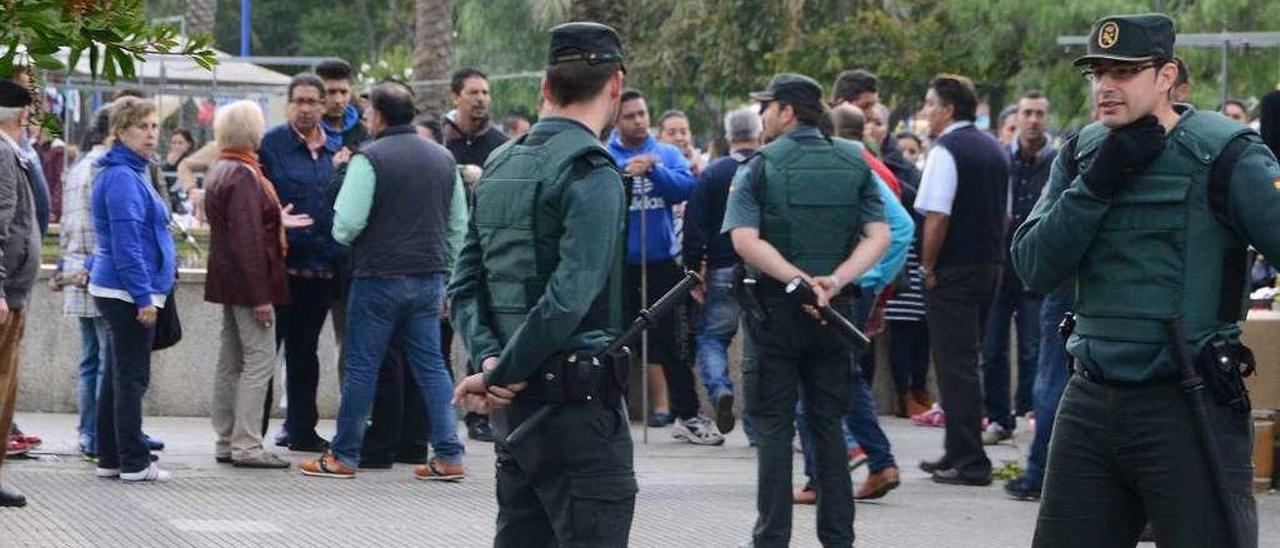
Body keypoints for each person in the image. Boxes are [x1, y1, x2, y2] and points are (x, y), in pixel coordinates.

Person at [1014, 13, 1278, 546]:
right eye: (1097, 73)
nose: (1106, 85)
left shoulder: (1226, 153)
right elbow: (1034, 266)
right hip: (1091, 400)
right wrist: (1096, 185)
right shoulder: (1084, 153)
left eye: (1125, 71)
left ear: (1165, 77)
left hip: (1187, 401)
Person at [450, 21, 635, 546]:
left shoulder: (500, 162)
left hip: (517, 412)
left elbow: (464, 283)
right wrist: (502, 370)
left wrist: (490, 363)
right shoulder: (591, 170)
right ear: (616, 84)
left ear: (545, 88)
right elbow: (569, 297)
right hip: (577, 412)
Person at [725, 73, 890, 547]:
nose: (761, 116)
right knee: (828, 429)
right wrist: (834, 281)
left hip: (774, 315)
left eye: (767, 107)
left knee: (774, 433)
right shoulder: (856, 161)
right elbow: (880, 235)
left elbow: (744, 240)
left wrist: (795, 280)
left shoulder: (758, 165)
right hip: (835, 316)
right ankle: (838, 538)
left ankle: (771, 538)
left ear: (788, 111)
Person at [299, 82, 468, 481]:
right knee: (431, 366)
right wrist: (444, 269)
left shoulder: (368, 158)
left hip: (377, 278)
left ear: (377, 115)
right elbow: (458, 225)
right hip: (428, 279)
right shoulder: (444, 159)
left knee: (361, 367)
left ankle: (343, 455)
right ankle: (448, 454)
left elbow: (347, 225)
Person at [205, 100, 313, 469]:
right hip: (250, 285)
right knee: (259, 361)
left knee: (231, 361)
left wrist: (274, 219)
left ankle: (226, 439)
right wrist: (261, 297)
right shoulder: (246, 174)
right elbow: (248, 241)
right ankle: (247, 444)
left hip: (228, 283)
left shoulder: (223, 168)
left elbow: (242, 229)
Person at [914, 74, 1009, 487]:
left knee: (956, 366)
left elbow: (937, 215)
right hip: (990, 264)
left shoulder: (945, 150)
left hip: (952, 269)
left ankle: (970, 460)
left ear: (949, 109)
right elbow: (1004, 216)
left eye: (931, 104)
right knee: (968, 361)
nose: (926, 113)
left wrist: (928, 265)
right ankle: (957, 450)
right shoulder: (994, 149)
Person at [608, 89, 717, 443]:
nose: (638, 121)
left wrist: (653, 171)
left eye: (642, 113)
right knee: (616, 341)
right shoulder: (606, 155)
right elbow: (602, 197)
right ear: (616, 120)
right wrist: (626, 176)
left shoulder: (666, 153)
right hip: (619, 267)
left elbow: (686, 188)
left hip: (660, 264)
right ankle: (612, 415)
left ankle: (687, 414)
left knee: (674, 343)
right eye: (630, 116)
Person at [89, 97, 176, 483]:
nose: (151, 134)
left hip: (121, 288)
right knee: (131, 377)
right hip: (127, 291)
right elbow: (127, 245)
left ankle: (110, 455)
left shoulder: (132, 170)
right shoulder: (123, 176)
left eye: (155, 126)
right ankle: (134, 461)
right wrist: (144, 297)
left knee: (117, 375)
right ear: (121, 132)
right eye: (142, 127)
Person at [258, 73, 340, 453]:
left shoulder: (335, 149)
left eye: (312, 102)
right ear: (289, 104)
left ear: (323, 106)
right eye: (299, 101)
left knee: (305, 353)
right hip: (281, 269)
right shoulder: (271, 145)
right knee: (265, 353)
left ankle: (302, 429)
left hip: (321, 269)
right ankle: (250, 433)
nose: (305, 109)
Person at [979, 91, 1055, 445]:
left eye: (1040, 113)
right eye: (1028, 113)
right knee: (992, 348)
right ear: (1017, 117)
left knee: (1032, 349)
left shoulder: (1056, 161)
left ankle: (1031, 412)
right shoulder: (1000, 159)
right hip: (997, 267)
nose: (1034, 120)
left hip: (1035, 270)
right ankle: (997, 417)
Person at [684, 106, 760, 435]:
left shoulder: (714, 174)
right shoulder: (767, 168)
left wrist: (692, 269)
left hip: (721, 267)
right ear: (758, 135)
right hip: (763, 269)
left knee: (713, 338)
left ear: (729, 137)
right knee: (762, 350)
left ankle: (719, 390)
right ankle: (760, 428)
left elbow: (694, 225)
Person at [443, 67, 508, 443]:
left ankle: (479, 416)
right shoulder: (440, 140)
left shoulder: (500, 144)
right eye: (473, 92)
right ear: (456, 97)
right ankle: (438, 414)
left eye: (485, 92)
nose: (481, 99)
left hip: (487, 248)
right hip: (446, 248)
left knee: (482, 334)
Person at [55, 105, 113, 461]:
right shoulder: (103, 168)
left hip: (77, 268)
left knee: (90, 359)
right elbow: (102, 224)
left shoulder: (77, 168)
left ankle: (87, 432)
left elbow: (65, 223)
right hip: (97, 270)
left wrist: (65, 266)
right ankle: (98, 435)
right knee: (107, 359)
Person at [0, 80, 42, 507]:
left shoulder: (14, 152)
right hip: (5, 292)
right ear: (20, 116)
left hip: (13, 289)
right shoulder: (2, 151)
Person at [658, 109, 707, 175]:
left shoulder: (703, 167)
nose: (679, 138)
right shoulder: (653, 166)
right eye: (671, 133)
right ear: (659, 138)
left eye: (683, 132)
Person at [161, 128, 195, 213]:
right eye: (173, 143)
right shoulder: (166, 164)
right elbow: (164, 188)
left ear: (188, 144)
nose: (176, 146)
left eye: (180, 143)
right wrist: (169, 166)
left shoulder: (193, 162)